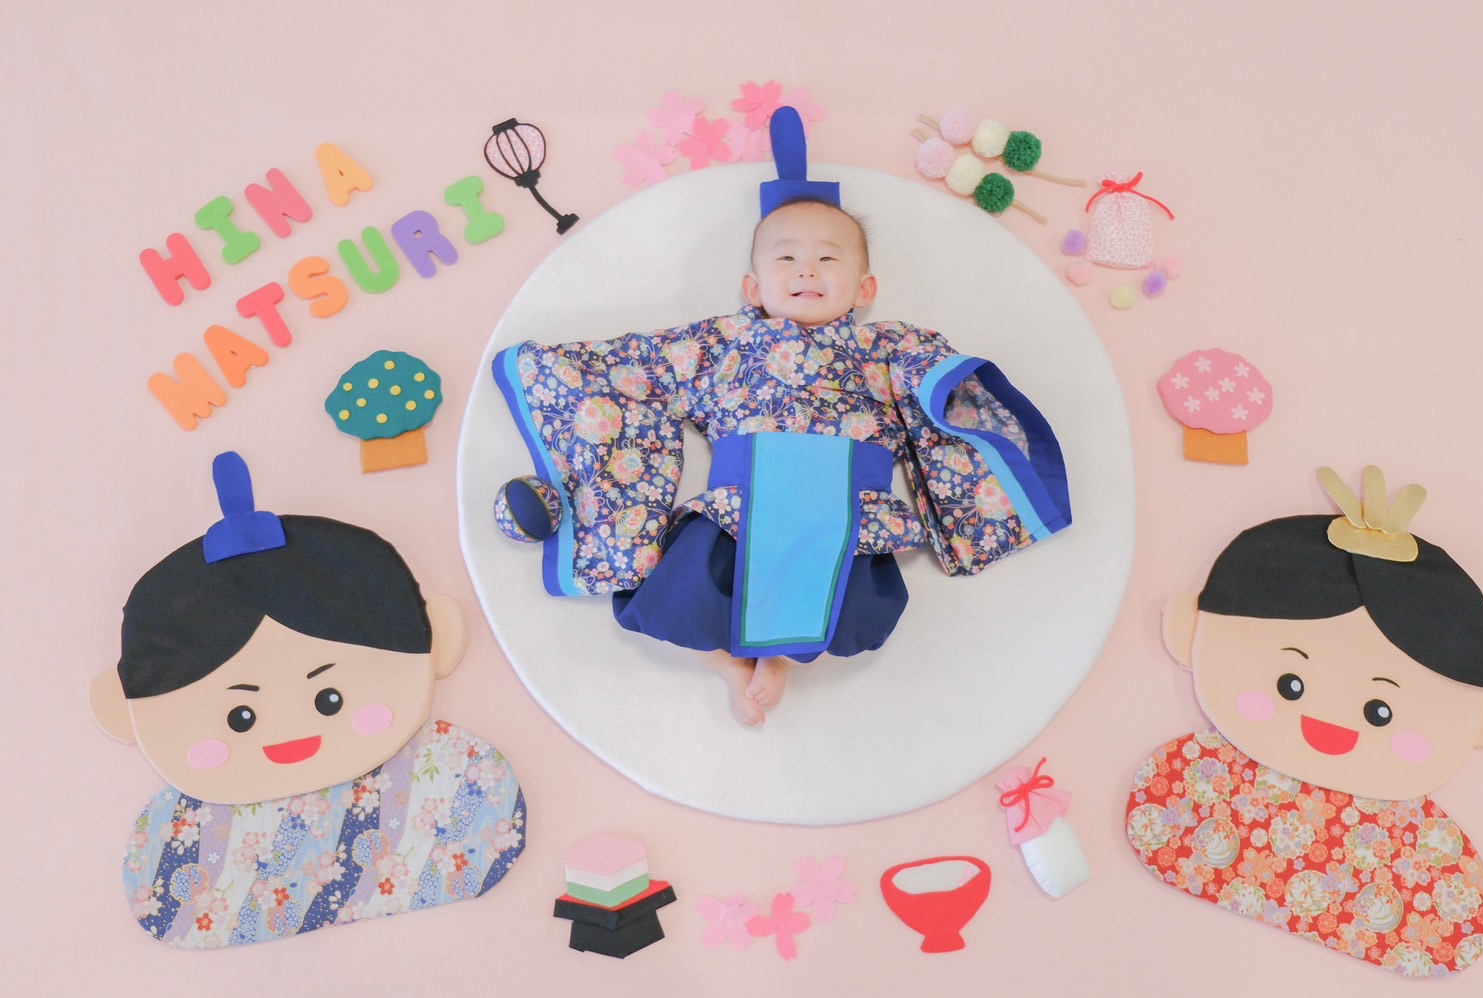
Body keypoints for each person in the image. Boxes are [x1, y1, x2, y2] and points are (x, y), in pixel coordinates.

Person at [492, 107, 1071, 726]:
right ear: (753, 289)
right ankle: (729, 666)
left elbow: (933, 389)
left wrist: (934, 380)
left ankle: (783, 661)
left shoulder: (886, 346)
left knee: (848, 606)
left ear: (865, 289)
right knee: (678, 595)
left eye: (828, 259)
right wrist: (553, 367)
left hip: (847, 509)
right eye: (786, 259)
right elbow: (641, 371)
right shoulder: (724, 343)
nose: (806, 270)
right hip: (741, 503)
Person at [90, 453, 526, 947]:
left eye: (329, 698)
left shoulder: (469, 787)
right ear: (122, 712)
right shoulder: (171, 861)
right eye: (241, 717)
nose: (289, 731)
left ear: (439, 637)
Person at [1125, 467, 1483, 976]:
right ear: (1190, 631)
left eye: (1380, 712)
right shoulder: (1184, 788)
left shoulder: (1434, 874)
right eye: (1290, 684)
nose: (1331, 724)